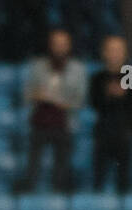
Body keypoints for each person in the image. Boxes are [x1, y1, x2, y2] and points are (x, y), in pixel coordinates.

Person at [20, 28, 86, 193]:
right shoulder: (37, 66)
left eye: (63, 44)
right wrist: (39, 95)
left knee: (62, 163)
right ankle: (29, 188)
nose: (59, 47)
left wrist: (61, 102)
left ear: (69, 46)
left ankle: (60, 191)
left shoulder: (78, 69)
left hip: (64, 120)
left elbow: (80, 100)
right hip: (40, 118)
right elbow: (27, 94)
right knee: (33, 161)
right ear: (50, 45)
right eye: (56, 44)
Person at [89, 35, 132, 194]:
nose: (115, 53)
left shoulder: (129, 72)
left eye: (118, 50)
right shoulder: (98, 77)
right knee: (99, 174)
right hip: (103, 130)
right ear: (104, 52)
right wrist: (111, 95)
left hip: (124, 129)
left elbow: (131, 100)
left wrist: (118, 95)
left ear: (125, 52)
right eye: (111, 50)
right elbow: (95, 102)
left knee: (123, 176)